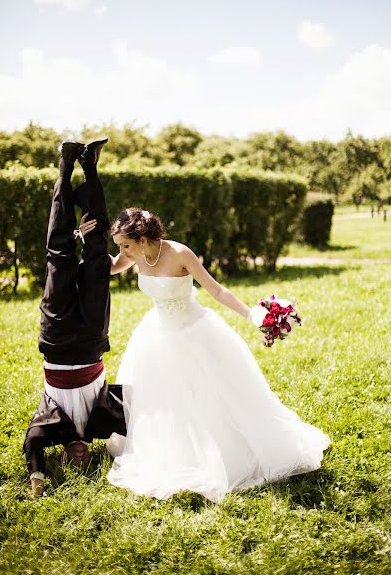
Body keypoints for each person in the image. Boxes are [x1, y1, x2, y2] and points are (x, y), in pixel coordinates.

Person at [104, 207, 331, 503]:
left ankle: (225, 454)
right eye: (119, 246)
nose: (122, 252)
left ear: (144, 238)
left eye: (125, 245)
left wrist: (252, 315)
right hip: (157, 334)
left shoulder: (179, 254)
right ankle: (172, 451)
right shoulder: (133, 255)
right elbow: (109, 266)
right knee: (163, 398)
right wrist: (84, 240)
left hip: (194, 331)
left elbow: (217, 290)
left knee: (211, 395)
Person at [24, 138, 126, 498]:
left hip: (56, 337)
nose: (81, 457)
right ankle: (90, 165)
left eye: (74, 462)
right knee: (98, 254)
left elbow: (33, 443)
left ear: (64, 458)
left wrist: (38, 480)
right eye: (86, 461)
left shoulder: (50, 431)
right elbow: (140, 424)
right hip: (92, 340)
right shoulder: (104, 425)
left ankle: (66, 164)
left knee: (59, 253)